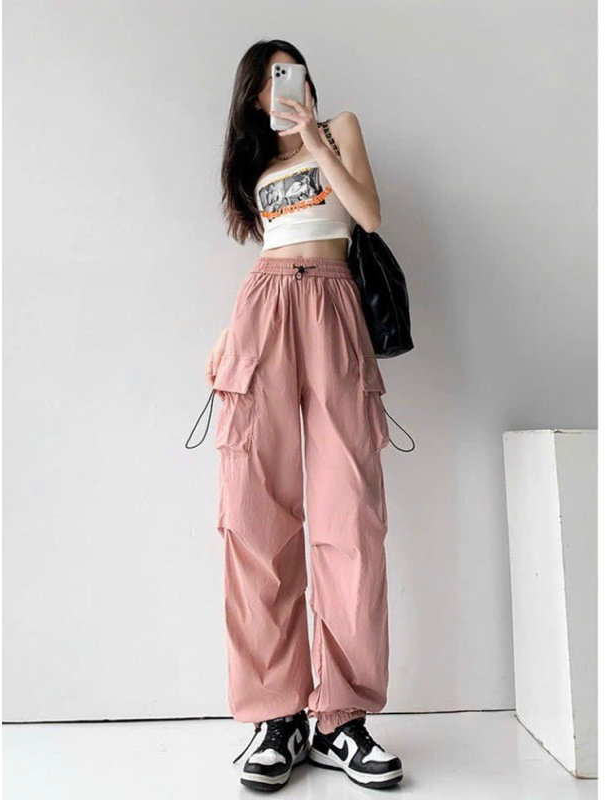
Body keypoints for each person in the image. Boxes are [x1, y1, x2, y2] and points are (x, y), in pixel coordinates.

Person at [210, 40, 403, 791]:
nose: (282, 84)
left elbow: (368, 215)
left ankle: (342, 719)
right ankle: (277, 715)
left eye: (289, 70)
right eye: (268, 77)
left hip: (333, 308)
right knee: (256, 519)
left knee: (349, 517)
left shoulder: (339, 129)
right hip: (262, 314)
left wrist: (316, 140)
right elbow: (269, 252)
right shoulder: (256, 163)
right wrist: (228, 336)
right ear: (253, 96)